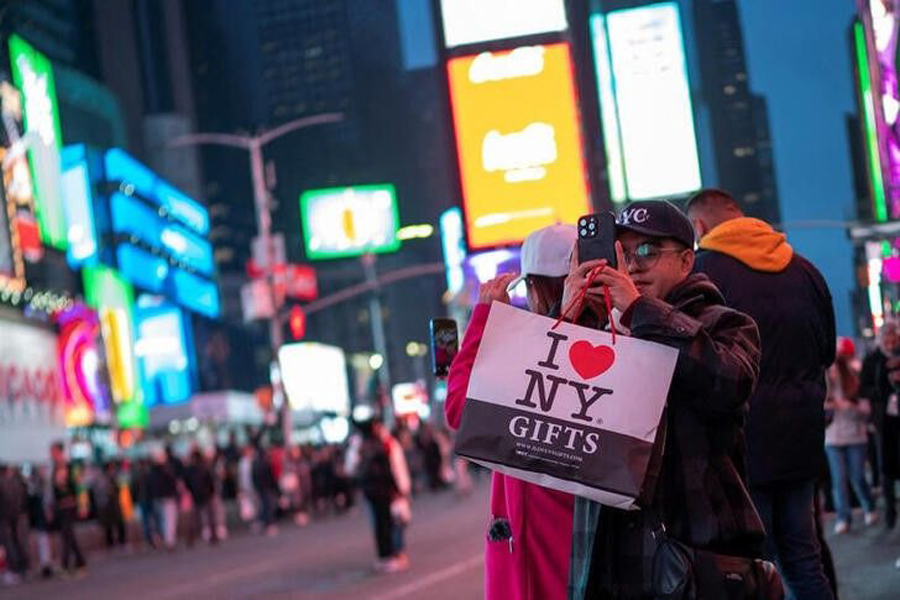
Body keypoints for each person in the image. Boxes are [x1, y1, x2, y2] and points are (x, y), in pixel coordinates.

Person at [567, 201, 769, 598]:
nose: (635, 265)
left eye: (650, 251)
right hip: (607, 554)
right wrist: (564, 320)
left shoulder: (725, 323)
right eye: (624, 253)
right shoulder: (592, 332)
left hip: (691, 552)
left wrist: (642, 310)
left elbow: (729, 380)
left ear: (686, 261)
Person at [686, 189, 836, 599]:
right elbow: (827, 353)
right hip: (803, 440)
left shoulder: (703, 275)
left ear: (699, 227)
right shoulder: (805, 270)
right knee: (804, 559)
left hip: (742, 448)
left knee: (756, 570)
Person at [446, 223, 577, 600]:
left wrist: (485, 319)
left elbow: (460, 409)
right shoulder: (620, 335)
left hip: (539, 547)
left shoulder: (528, 353)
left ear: (534, 287)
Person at [825, 339, 878, 534]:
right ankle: (843, 517)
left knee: (857, 477)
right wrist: (828, 407)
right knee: (839, 480)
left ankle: (869, 506)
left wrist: (851, 407)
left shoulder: (855, 374)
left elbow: (866, 408)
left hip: (856, 435)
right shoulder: (823, 380)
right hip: (832, 437)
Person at [350, 416, 412, 573]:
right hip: (385, 490)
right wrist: (402, 488)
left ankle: (391, 555)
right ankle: (394, 555)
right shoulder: (384, 443)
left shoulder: (367, 444)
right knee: (390, 523)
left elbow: (351, 467)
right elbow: (397, 467)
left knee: (384, 524)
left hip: (375, 491)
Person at [861, 321, 900, 528]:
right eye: (888, 339)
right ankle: (890, 512)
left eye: (894, 339)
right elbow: (863, 389)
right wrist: (880, 390)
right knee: (886, 464)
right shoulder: (872, 360)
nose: (891, 343)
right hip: (883, 419)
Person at [49, 442, 87, 575]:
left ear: (60, 452)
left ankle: (65, 564)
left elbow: (80, 487)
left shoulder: (72, 467)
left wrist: (83, 506)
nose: (52, 455)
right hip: (61, 507)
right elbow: (54, 491)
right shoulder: (55, 469)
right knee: (68, 535)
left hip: (71, 505)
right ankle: (80, 561)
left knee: (67, 533)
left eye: (54, 451)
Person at [185, 448, 219, 545]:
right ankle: (213, 536)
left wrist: (191, 491)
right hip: (206, 494)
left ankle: (191, 538)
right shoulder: (204, 467)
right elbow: (210, 481)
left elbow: (187, 482)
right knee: (210, 516)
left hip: (196, 495)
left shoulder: (190, 468)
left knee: (195, 518)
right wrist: (212, 492)